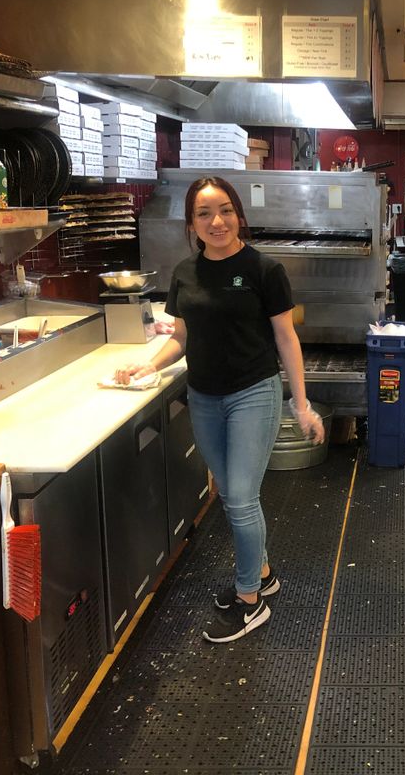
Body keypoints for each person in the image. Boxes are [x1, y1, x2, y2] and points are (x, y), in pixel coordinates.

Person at [113, 176, 324, 644]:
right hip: (204, 397)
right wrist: (149, 365)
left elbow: (286, 337)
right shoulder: (185, 272)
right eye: (204, 213)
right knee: (231, 495)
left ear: (238, 215)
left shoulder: (264, 270)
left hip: (253, 393)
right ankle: (263, 573)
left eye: (225, 210)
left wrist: (301, 403)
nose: (217, 221)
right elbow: (182, 337)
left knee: (242, 499)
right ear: (191, 223)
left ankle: (250, 600)